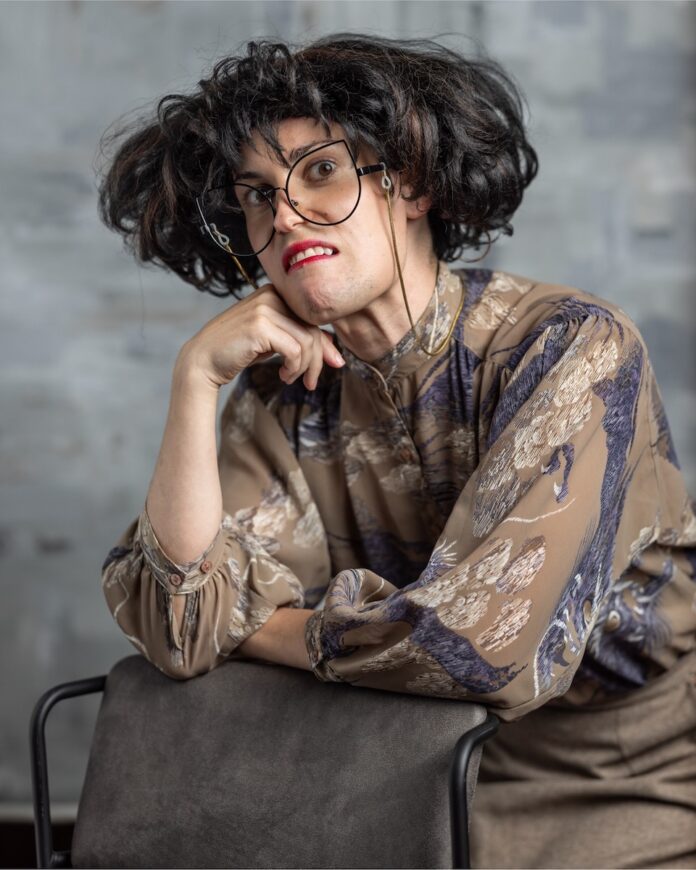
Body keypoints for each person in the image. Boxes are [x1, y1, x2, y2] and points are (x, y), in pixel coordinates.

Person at [98, 34, 696, 868]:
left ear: (409, 181)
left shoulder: (569, 348)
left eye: (320, 172)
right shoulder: (282, 393)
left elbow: (480, 645)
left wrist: (263, 625)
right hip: (400, 782)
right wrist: (195, 380)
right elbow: (176, 625)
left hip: (628, 786)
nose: (286, 215)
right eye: (258, 195)